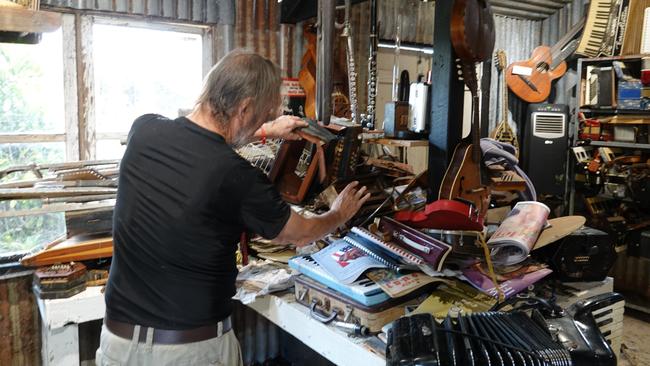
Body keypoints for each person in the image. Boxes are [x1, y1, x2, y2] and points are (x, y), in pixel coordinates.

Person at [96, 50, 370, 366]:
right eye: (264, 114)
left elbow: (199, 139)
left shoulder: (143, 130)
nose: (265, 120)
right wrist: (338, 214)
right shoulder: (236, 175)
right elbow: (297, 234)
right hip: (188, 353)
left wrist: (267, 130)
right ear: (244, 108)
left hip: (116, 345)